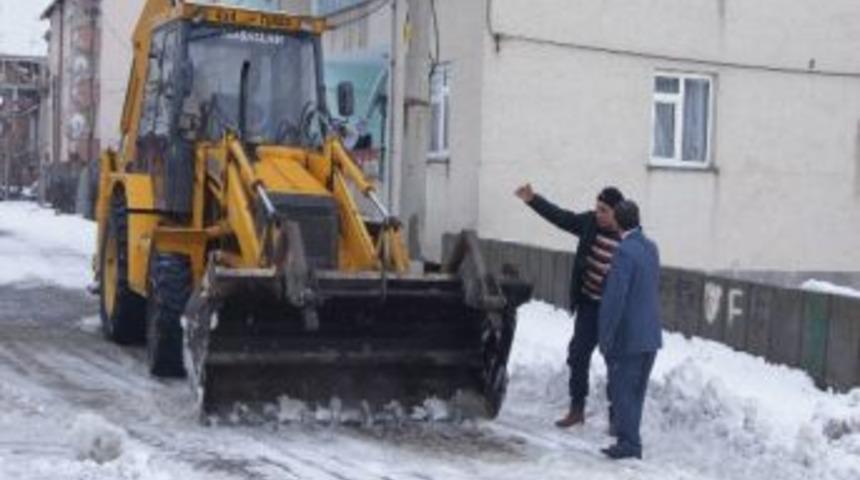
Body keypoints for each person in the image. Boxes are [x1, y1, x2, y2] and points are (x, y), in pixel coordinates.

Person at [514, 183, 624, 428]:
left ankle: (617, 417)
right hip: (588, 304)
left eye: (604, 210)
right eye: (597, 208)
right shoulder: (590, 223)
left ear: (617, 212)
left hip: (612, 312)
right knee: (577, 355)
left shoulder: (628, 237)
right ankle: (577, 409)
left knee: (615, 362)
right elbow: (562, 218)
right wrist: (533, 199)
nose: (598, 213)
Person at [598, 200, 662, 460]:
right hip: (650, 334)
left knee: (622, 390)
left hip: (628, 336)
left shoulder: (624, 251)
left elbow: (616, 298)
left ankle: (629, 443)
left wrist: (605, 336)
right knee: (637, 392)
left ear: (617, 221)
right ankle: (630, 440)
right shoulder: (651, 247)